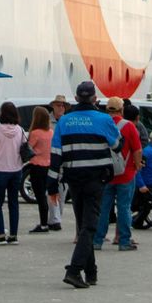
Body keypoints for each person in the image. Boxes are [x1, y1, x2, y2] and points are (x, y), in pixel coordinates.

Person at [49, 81, 121, 289]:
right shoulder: (103, 119)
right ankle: (74, 270)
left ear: (77, 98)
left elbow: (55, 155)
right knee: (90, 226)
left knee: (83, 226)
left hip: (73, 180)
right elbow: (118, 145)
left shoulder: (64, 121)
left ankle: (91, 272)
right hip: (95, 179)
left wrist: (51, 185)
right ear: (94, 98)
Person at [93, 97, 141, 252]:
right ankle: (124, 241)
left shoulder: (100, 124)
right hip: (125, 173)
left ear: (107, 110)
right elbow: (137, 149)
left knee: (103, 208)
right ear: (122, 110)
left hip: (105, 173)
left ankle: (97, 240)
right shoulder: (129, 126)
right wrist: (137, 165)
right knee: (124, 208)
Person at [0, 101, 26, 245]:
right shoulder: (20, 130)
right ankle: (13, 235)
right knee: (14, 203)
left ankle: (1, 234)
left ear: (1, 114)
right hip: (17, 170)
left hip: (0, 170)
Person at [26, 107, 54, 233]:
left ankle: (43, 224)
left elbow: (29, 148)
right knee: (45, 195)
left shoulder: (35, 133)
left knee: (40, 196)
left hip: (37, 165)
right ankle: (46, 222)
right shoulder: (50, 132)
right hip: (48, 165)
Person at [45, 96, 68, 231]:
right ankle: (55, 219)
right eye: (58, 105)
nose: (61, 107)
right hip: (50, 159)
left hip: (65, 160)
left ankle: (57, 217)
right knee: (51, 189)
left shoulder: (67, 121)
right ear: (53, 106)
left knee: (63, 191)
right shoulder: (47, 121)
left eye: (62, 105)